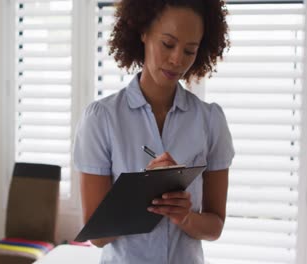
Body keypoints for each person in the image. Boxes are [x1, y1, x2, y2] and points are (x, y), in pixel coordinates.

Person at [73, 0, 234, 263]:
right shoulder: (101, 119)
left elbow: (215, 226)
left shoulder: (210, 120)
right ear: (143, 32)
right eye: (168, 44)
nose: (177, 60)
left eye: (190, 50)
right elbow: (98, 237)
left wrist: (185, 216)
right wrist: (144, 192)